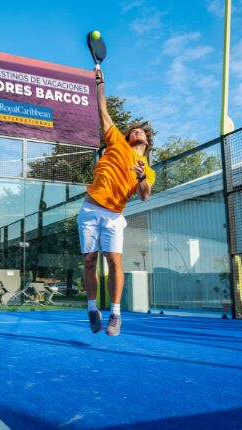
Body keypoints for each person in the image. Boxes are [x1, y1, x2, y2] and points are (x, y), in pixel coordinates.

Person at [77, 67, 156, 336]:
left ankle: (115, 314)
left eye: (140, 131)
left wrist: (142, 177)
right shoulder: (116, 144)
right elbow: (103, 112)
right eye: (132, 130)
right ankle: (91, 309)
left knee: (114, 262)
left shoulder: (148, 168)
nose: (136, 132)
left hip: (113, 216)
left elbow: (145, 195)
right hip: (89, 209)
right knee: (89, 261)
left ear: (147, 141)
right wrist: (100, 81)